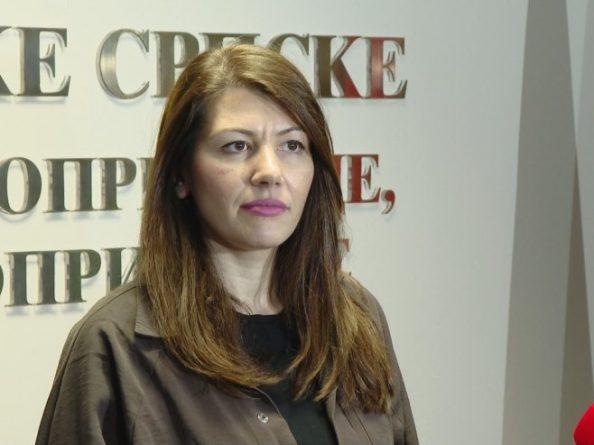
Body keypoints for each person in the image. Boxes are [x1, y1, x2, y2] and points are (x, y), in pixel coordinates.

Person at [36, 43, 418, 445]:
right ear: (181, 174)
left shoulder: (356, 316)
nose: (269, 171)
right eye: (237, 146)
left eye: (292, 145)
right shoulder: (113, 345)